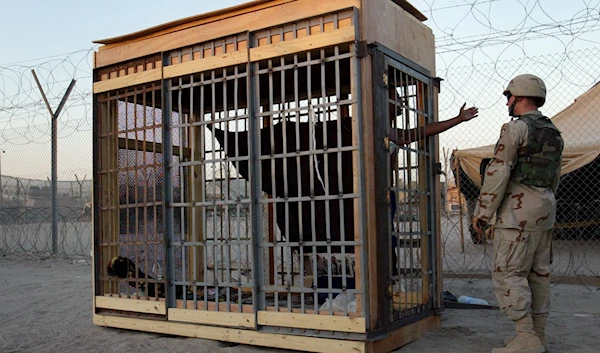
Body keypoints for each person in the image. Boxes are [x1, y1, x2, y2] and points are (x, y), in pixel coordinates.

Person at [472, 74, 563, 353]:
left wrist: (483, 212)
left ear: (520, 97)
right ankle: (537, 336)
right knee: (539, 275)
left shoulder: (515, 129)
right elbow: (554, 175)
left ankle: (525, 338)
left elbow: (499, 172)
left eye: (509, 97)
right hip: (544, 208)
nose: (508, 102)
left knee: (509, 273)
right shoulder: (553, 131)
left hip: (517, 213)